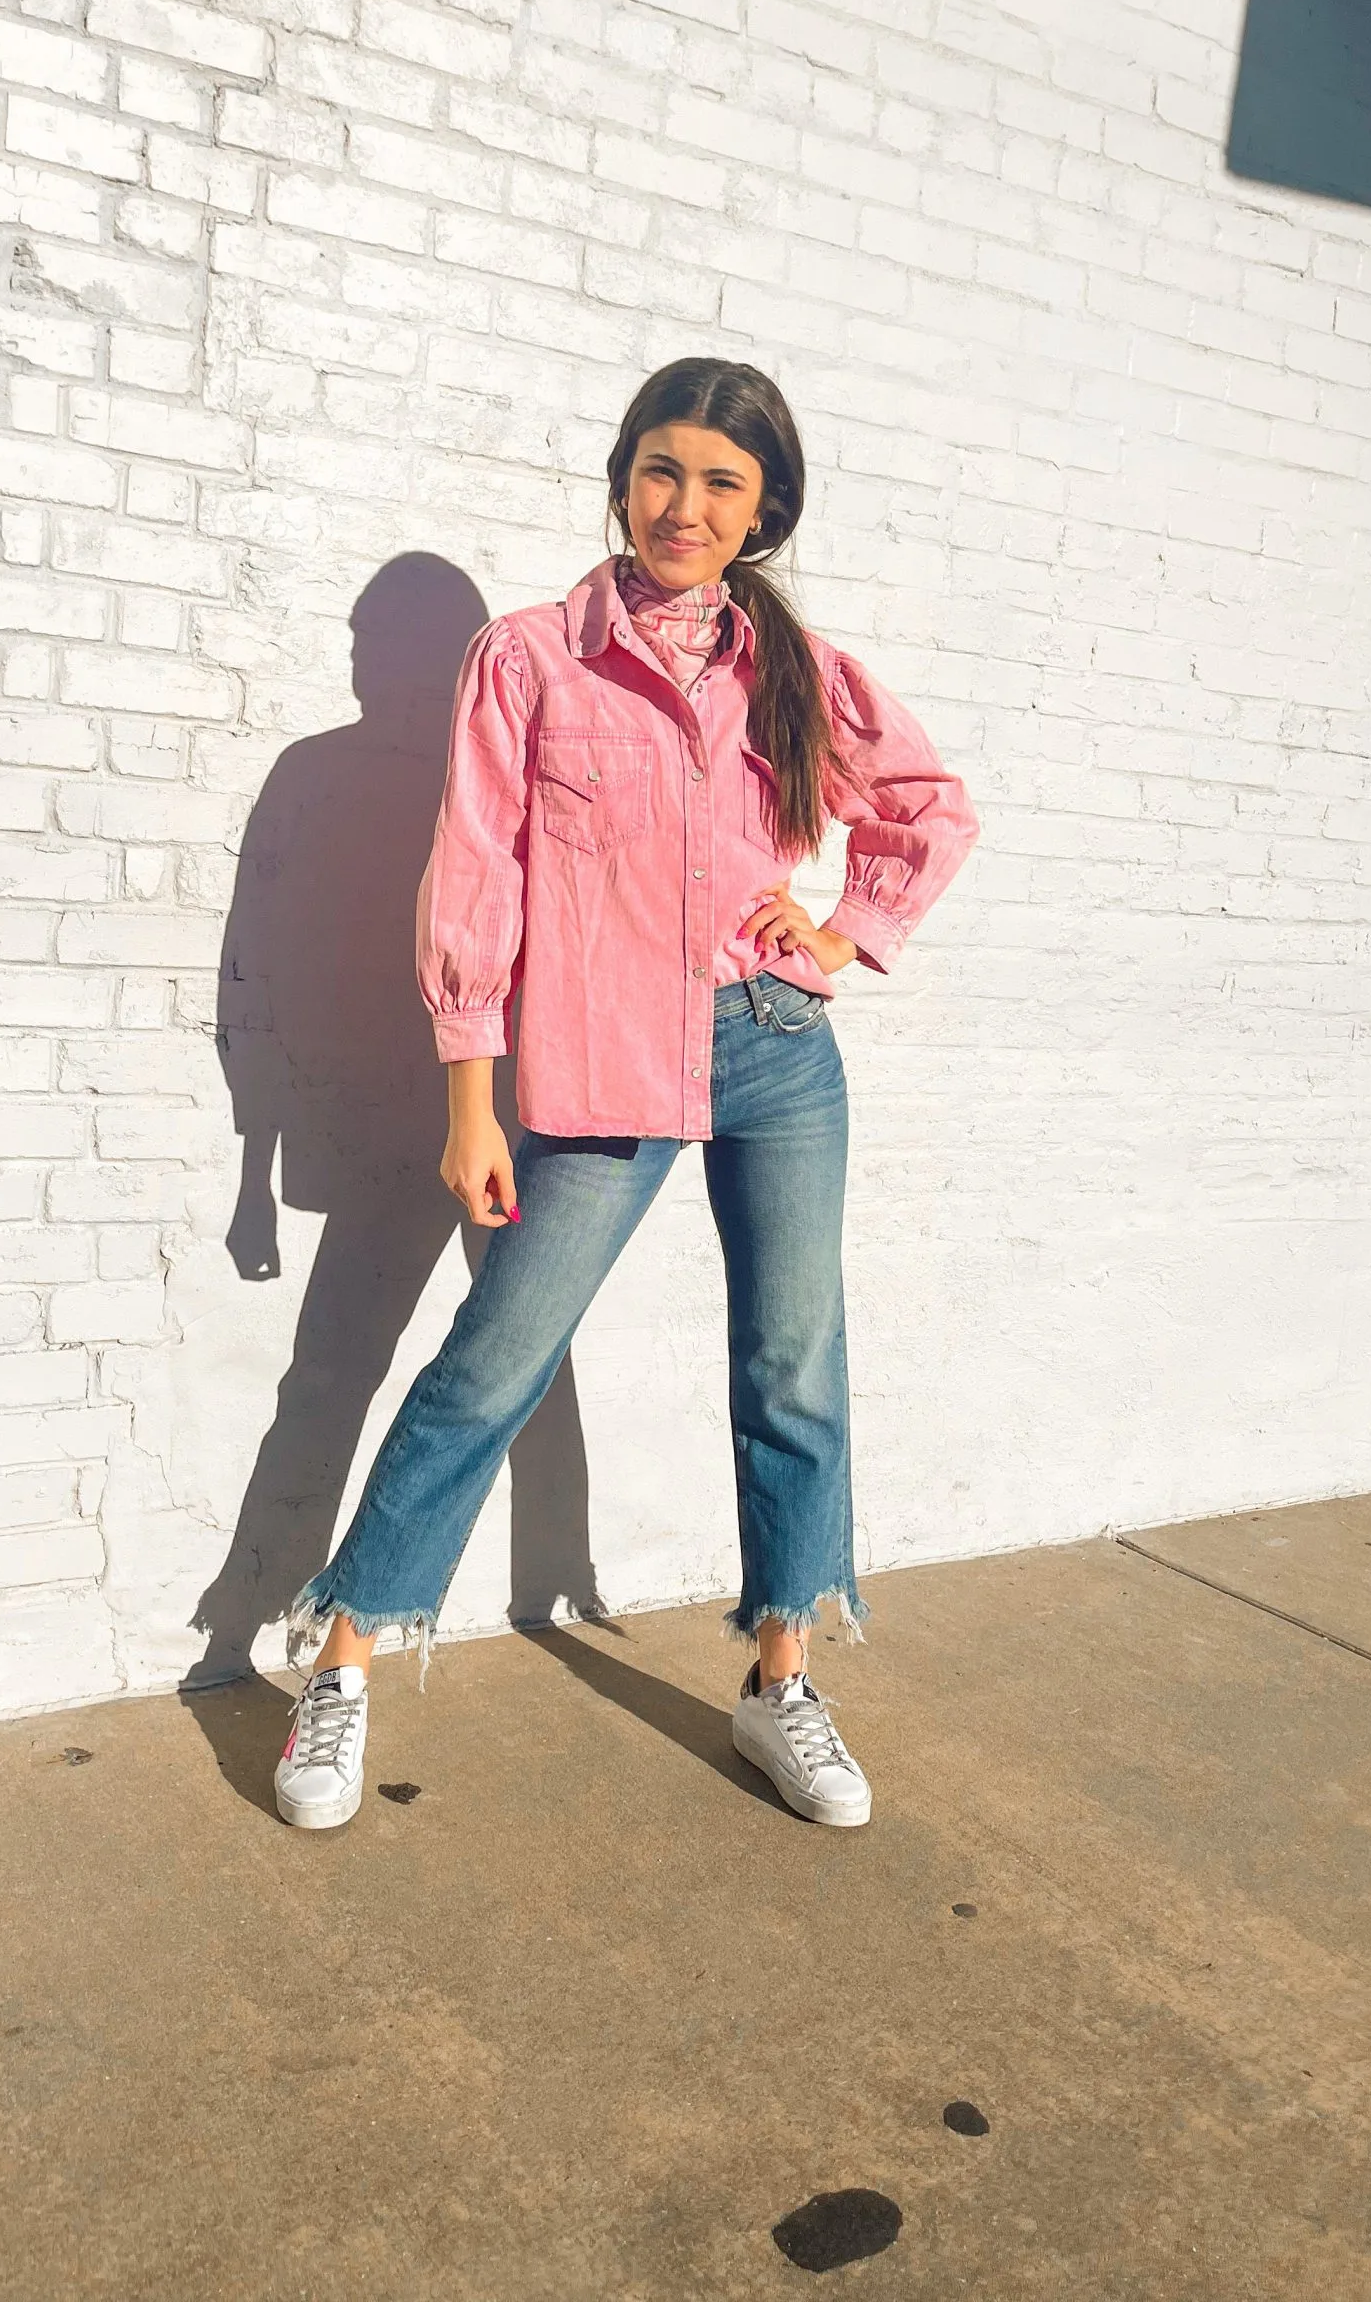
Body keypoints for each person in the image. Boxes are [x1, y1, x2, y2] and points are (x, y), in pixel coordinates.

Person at [274, 357, 978, 1834]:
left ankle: (781, 1679)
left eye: (723, 482)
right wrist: (472, 1099)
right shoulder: (527, 660)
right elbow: (477, 877)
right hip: (601, 1063)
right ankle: (339, 1661)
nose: (685, 506)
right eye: (663, 470)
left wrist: (844, 933)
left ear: (763, 510)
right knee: (495, 1361)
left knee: (793, 1366)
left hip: (776, 1045)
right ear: (622, 478)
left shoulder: (797, 672)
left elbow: (927, 808)